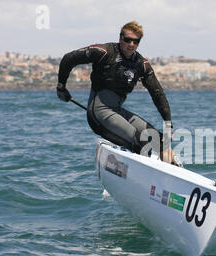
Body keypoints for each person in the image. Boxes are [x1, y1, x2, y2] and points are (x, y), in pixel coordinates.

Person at [56, 21, 177, 164]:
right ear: (120, 38)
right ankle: (138, 182)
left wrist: (168, 123)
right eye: (127, 40)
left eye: (136, 41)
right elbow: (69, 58)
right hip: (99, 113)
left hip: (117, 111)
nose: (131, 44)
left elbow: (157, 93)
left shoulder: (141, 65)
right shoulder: (104, 52)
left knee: (157, 140)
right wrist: (61, 86)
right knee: (140, 143)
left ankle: (174, 175)